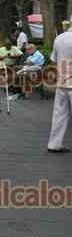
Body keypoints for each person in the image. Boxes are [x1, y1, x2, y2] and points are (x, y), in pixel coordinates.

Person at [48, 19, 72, 153]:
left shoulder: (59, 38)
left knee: (59, 115)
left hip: (62, 81)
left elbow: (54, 60)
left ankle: (54, 144)